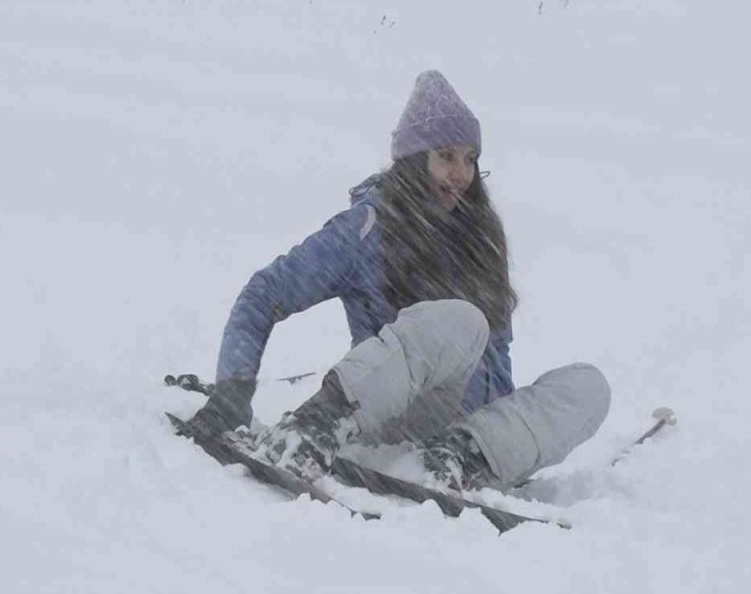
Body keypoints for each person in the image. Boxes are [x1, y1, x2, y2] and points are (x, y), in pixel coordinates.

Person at [184, 70, 611, 491]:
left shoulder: (481, 238)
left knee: (589, 386)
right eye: (445, 155)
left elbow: (498, 360)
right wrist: (232, 390)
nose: (460, 173)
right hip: (388, 419)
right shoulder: (369, 228)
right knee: (464, 320)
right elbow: (265, 294)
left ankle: (467, 455)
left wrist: (512, 435)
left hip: (466, 439)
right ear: (413, 159)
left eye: (469, 158)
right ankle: (318, 425)